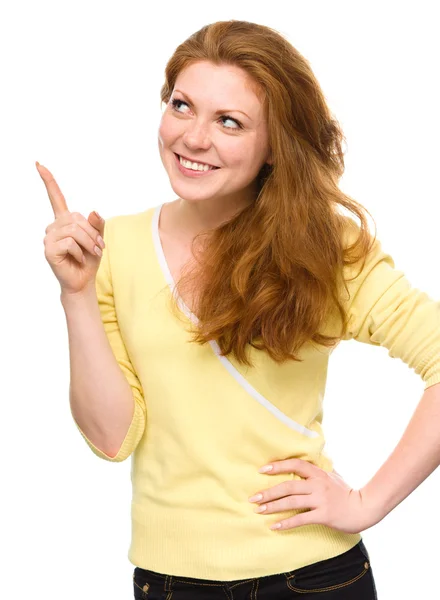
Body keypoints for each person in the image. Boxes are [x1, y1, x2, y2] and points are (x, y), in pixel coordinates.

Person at [38, 19, 440, 600]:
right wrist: (75, 294)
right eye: (182, 106)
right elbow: (111, 438)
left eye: (229, 121)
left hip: (316, 578)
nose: (194, 138)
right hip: (171, 583)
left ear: (275, 144)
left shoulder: (327, 247)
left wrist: (365, 503)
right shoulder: (114, 247)